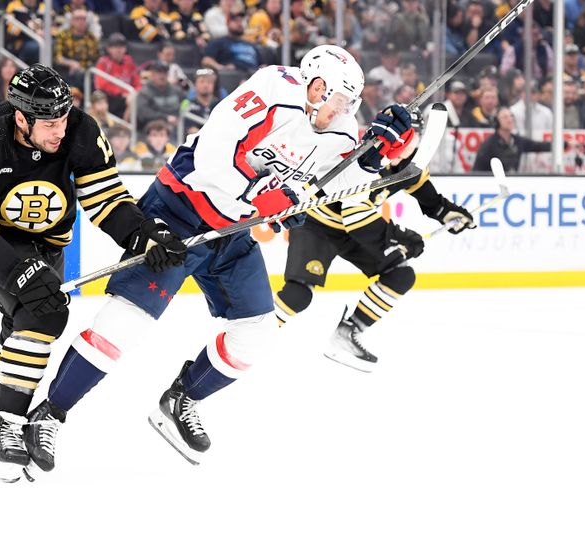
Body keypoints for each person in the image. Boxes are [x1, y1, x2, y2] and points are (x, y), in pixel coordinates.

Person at [26, 45, 416, 470]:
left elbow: (335, 182)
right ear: (317, 87)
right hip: (179, 210)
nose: (343, 113)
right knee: (124, 323)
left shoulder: (340, 129)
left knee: (258, 332)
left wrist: (375, 156)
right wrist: (264, 197)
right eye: (340, 102)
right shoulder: (271, 89)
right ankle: (49, 414)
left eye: (350, 106)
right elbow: (214, 156)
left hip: (231, 232)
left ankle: (181, 398)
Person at [0, 64, 185, 482]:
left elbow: (107, 198)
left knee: (23, 323)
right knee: (44, 314)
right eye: (48, 122)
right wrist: (19, 270)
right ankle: (5, 424)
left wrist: (143, 235)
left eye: (62, 117)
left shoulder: (80, 130)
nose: (59, 130)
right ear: (20, 117)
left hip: (49, 243)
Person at [274, 112, 475, 371]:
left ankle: (347, 333)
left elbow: (428, 197)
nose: (406, 146)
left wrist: (448, 212)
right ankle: (254, 331)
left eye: (411, 139)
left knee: (400, 276)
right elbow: (355, 217)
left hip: (356, 228)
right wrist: (400, 239)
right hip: (317, 224)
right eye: (402, 139)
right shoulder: (367, 159)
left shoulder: (408, 162)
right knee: (298, 295)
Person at [472, 107, 556, 173]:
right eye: (505, 117)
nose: (510, 120)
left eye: (511, 116)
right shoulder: (489, 145)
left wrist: (563, 145)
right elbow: (477, 170)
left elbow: (538, 146)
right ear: (497, 121)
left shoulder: (517, 141)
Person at [201, 6, 262, 74]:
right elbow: (206, 60)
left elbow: (262, 65)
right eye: (236, 21)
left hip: (254, 77)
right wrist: (222, 68)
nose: (240, 23)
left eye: (241, 20)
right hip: (232, 78)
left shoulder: (251, 45)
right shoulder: (218, 42)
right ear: (227, 23)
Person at [93, 33, 142, 118]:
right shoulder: (103, 62)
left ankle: (125, 127)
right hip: (110, 97)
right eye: (115, 47)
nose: (119, 50)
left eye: (121, 47)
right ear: (109, 49)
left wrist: (136, 91)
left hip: (127, 95)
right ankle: (124, 128)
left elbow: (137, 81)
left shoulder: (129, 60)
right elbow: (101, 84)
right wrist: (123, 93)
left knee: (137, 99)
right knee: (132, 100)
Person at [53, 7, 100, 87]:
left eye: (83, 19)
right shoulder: (63, 36)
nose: (81, 21)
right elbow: (58, 57)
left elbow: (97, 58)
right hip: (69, 72)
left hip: (88, 71)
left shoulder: (91, 37)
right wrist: (70, 63)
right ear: (72, 21)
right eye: (78, 19)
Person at [135, 60, 185, 131]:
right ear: (152, 74)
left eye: (164, 72)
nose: (162, 76)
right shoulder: (144, 93)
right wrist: (165, 118)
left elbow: (186, 104)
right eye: (159, 72)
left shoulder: (177, 91)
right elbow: (143, 113)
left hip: (177, 127)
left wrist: (180, 116)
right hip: (153, 129)